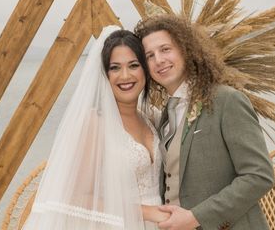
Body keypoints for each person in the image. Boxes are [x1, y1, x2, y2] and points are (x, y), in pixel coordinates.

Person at [135, 14, 275, 230]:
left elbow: (259, 175)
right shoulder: (165, 114)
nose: (159, 60)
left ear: (185, 49)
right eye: (149, 56)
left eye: (165, 49)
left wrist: (196, 217)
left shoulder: (226, 100)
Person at [23, 26, 168, 230]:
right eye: (114, 68)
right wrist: (147, 212)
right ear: (103, 74)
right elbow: (76, 196)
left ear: (145, 69)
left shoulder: (151, 116)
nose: (125, 75)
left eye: (133, 65)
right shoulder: (94, 123)